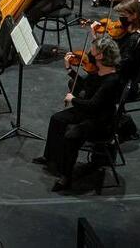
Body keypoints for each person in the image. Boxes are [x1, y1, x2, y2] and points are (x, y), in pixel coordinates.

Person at [35, 35, 124, 191]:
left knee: (72, 136)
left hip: (101, 122)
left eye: (93, 50)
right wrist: (70, 70)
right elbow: (86, 86)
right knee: (57, 119)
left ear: (100, 56)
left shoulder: (111, 80)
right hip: (90, 112)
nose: (89, 52)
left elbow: (92, 105)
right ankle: (50, 157)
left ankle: (66, 177)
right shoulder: (100, 71)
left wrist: (73, 99)